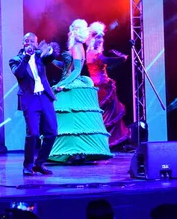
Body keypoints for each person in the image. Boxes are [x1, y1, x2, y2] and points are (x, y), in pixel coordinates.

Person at [48, 19, 112, 163]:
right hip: (68, 79)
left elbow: (76, 70)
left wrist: (64, 83)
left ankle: (74, 152)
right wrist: (51, 59)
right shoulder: (75, 46)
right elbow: (66, 66)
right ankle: (69, 152)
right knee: (69, 119)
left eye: (72, 29)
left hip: (71, 82)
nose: (70, 31)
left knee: (72, 119)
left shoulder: (77, 46)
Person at [9, 32, 57, 176]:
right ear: (23, 43)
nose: (29, 43)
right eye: (26, 40)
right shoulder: (16, 59)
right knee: (34, 134)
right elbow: (19, 74)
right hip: (30, 100)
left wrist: (49, 49)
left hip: (44, 97)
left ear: (36, 44)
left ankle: (39, 163)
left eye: (32, 41)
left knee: (52, 133)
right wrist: (26, 57)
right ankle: (27, 165)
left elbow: (52, 55)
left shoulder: (40, 57)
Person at [86, 22, 131, 149]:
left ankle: (107, 141)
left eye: (101, 37)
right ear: (93, 38)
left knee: (109, 112)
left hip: (100, 85)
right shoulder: (94, 53)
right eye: (98, 37)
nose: (100, 40)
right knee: (107, 113)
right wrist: (121, 58)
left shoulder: (91, 51)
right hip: (102, 87)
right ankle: (105, 141)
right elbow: (106, 60)